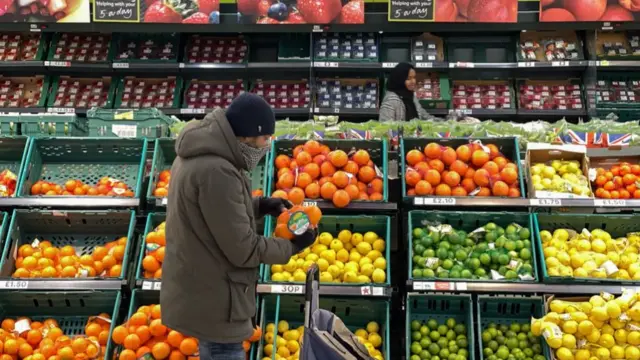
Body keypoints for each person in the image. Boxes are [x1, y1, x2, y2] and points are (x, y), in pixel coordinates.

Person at [160, 93, 317, 360]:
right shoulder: (218, 171)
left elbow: (212, 214)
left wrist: (259, 205)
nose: (267, 145)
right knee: (223, 350)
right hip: (217, 294)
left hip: (202, 283)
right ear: (246, 136)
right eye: (265, 138)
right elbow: (243, 248)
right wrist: (292, 246)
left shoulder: (201, 156)